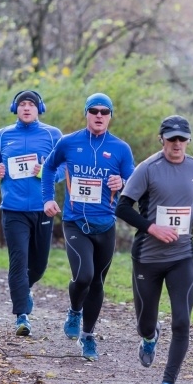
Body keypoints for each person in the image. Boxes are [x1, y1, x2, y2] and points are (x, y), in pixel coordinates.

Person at [115, 115, 193, 384]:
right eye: (171, 138)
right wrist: (152, 227)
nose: (176, 144)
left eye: (181, 139)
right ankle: (149, 337)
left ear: (188, 141)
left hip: (181, 256)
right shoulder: (147, 169)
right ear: (162, 139)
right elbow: (122, 206)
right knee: (145, 323)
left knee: (182, 322)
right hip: (148, 257)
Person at [41, 93, 135, 360]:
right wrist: (47, 198)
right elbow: (49, 169)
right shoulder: (69, 142)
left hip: (106, 225)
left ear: (110, 116)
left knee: (97, 283)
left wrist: (123, 183)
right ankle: (74, 310)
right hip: (75, 222)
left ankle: (88, 336)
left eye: (104, 112)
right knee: (84, 276)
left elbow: (134, 179)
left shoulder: (120, 148)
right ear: (86, 113)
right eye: (94, 110)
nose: (99, 115)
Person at [0, 90, 62, 336]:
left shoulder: (53, 135)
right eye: (22, 104)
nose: (26, 108)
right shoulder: (4, 135)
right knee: (18, 262)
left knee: (38, 266)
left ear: (39, 108)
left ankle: (24, 290)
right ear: (15, 109)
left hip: (43, 209)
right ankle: (22, 316)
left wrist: (47, 173)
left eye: (31, 104)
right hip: (13, 209)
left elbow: (64, 167)